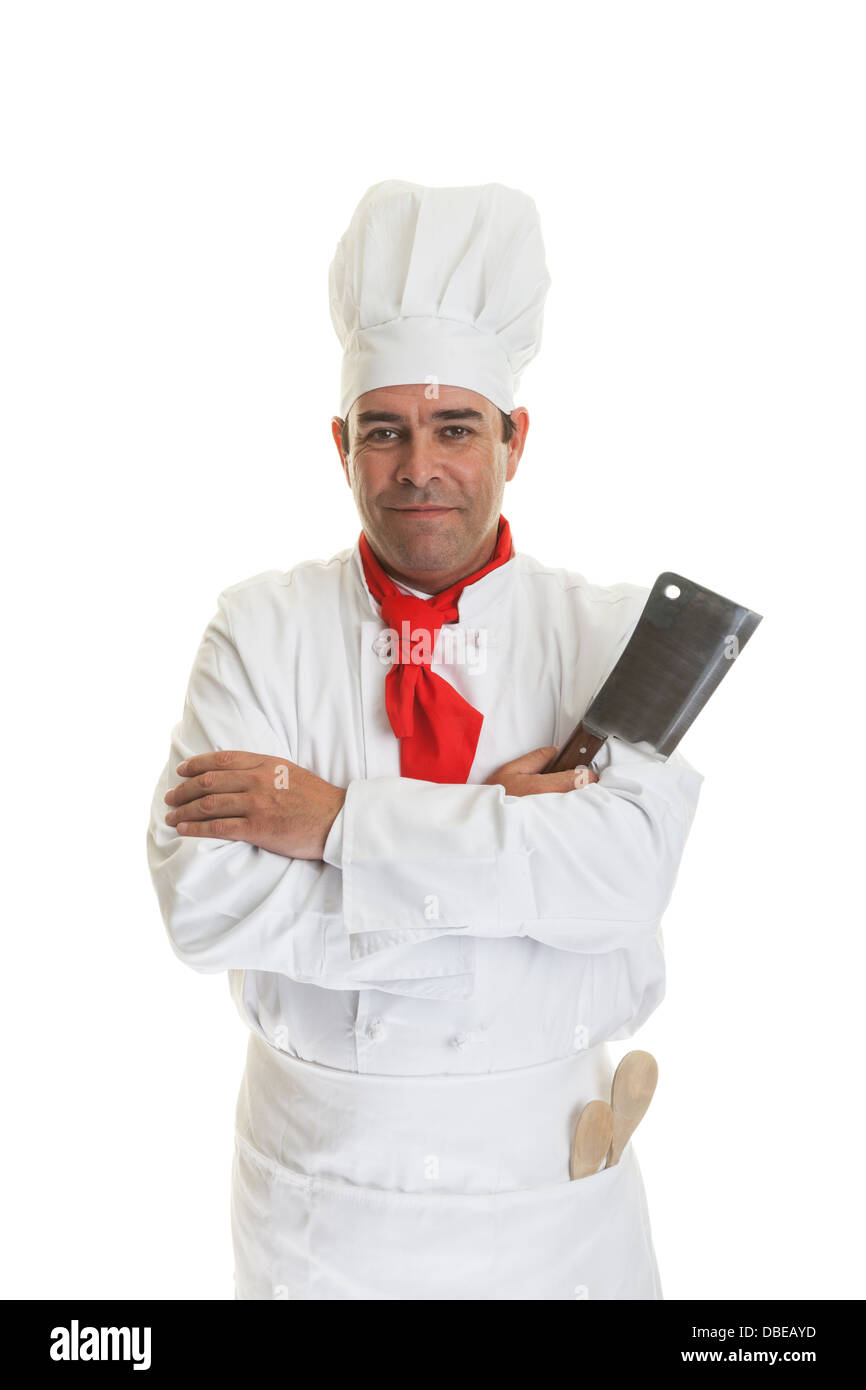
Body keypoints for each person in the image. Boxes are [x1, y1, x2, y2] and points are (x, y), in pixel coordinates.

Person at [146, 179, 704, 1300]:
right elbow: (203, 905)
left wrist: (335, 824)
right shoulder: (259, 626)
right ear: (339, 444)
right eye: (384, 432)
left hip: (550, 1190)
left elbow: (621, 883)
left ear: (515, 438)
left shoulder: (609, 636)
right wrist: (502, 869)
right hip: (319, 1198)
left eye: (454, 429)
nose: (418, 469)